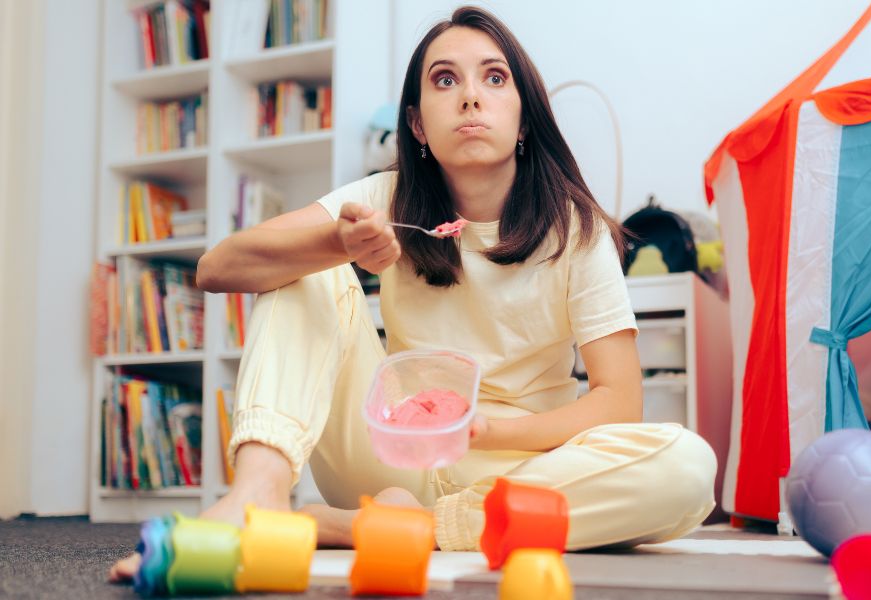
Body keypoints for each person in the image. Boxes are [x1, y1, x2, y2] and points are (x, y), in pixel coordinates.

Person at [111, 5, 715, 582]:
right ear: (419, 124)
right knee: (302, 266)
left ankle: (411, 527)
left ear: (525, 117)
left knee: (687, 469)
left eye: (495, 78)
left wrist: (485, 429)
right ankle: (256, 492)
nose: (471, 96)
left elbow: (618, 401)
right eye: (445, 79)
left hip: (522, 470)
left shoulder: (576, 230)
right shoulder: (384, 198)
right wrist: (336, 244)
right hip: (389, 457)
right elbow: (218, 266)